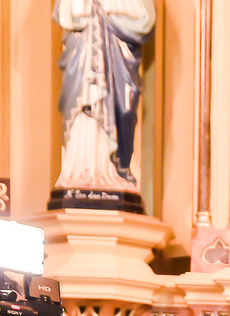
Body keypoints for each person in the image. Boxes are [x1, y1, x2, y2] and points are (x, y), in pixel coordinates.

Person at [53, 0, 156, 191]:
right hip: (81, 54)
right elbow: (65, 13)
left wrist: (108, 5)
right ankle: (78, 170)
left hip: (117, 57)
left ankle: (114, 169)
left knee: (124, 109)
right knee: (82, 106)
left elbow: (145, 17)